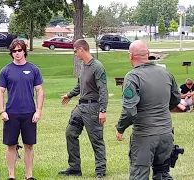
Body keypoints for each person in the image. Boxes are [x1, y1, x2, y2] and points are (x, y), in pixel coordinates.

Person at [115, 40, 181, 180]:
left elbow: (129, 111)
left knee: (139, 174)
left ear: (131, 55)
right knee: (162, 174)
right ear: (148, 54)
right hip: (166, 134)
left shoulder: (133, 77)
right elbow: (176, 99)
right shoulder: (165, 73)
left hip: (145, 135)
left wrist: (120, 128)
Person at [58, 39, 108, 179]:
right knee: (70, 133)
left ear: (81, 49)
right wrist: (69, 95)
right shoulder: (83, 66)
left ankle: (100, 171)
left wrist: (103, 111)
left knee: (96, 140)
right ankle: (74, 168)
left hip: (93, 108)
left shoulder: (97, 66)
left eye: (75, 51)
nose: (74, 54)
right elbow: (79, 86)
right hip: (81, 107)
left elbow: (103, 90)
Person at [0, 39, 44, 180]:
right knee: (11, 145)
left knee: (29, 145)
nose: (17, 53)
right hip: (11, 114)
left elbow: (39, 90)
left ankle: (29, 176)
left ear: (24, 51)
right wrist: (2, 110)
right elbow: (0, 91)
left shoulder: (34, 69)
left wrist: (38, 110)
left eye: (19, 50)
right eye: (14, 51)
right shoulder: (6, 70)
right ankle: (12, 176)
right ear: (11, 53)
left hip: (29, 113)